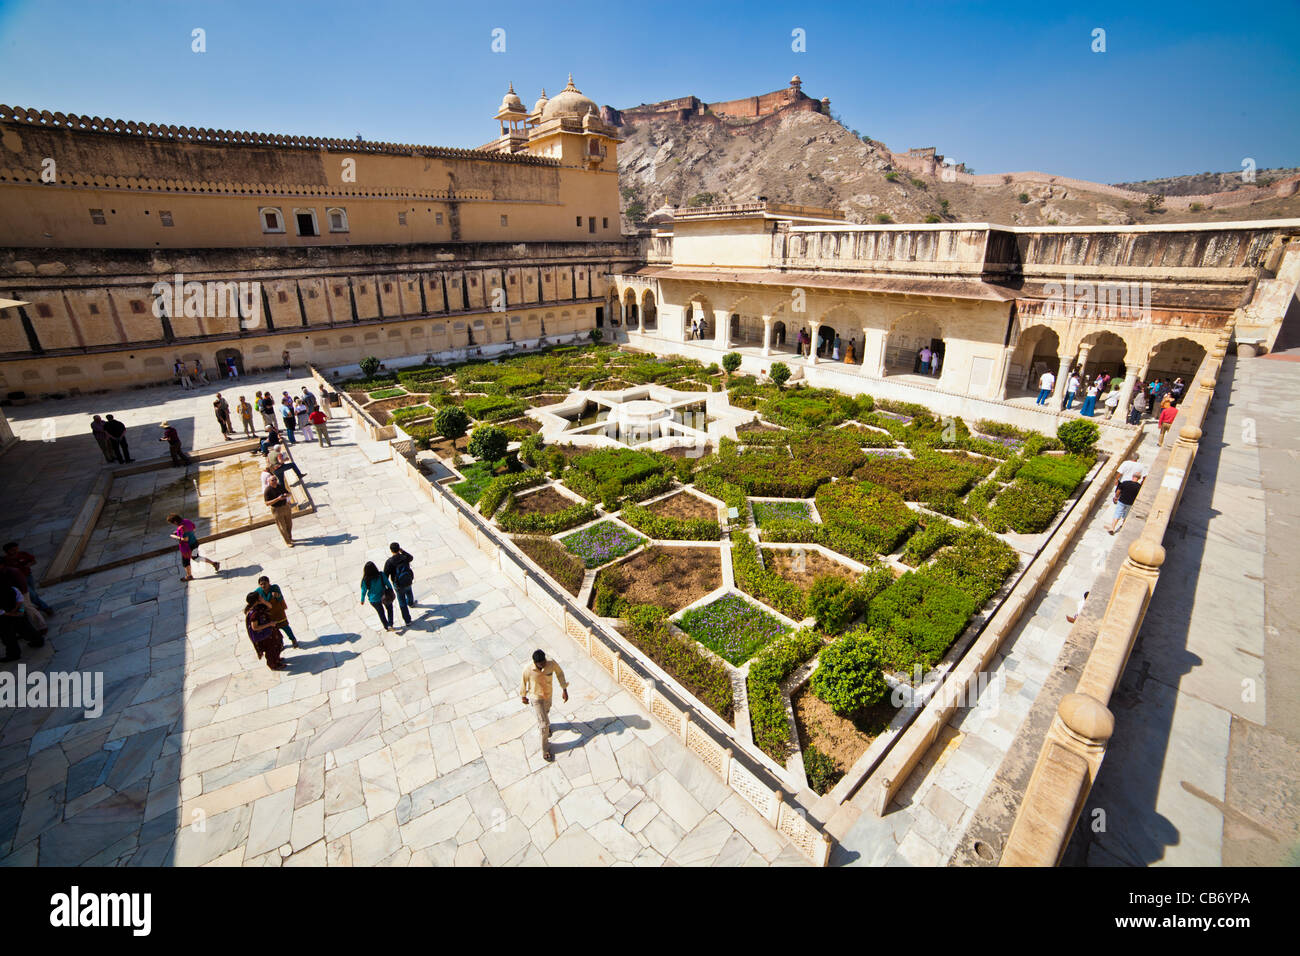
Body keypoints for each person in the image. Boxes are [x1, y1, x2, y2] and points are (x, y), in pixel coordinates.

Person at [520, 649, 568, 762]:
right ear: (535, 663)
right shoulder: (528, 669)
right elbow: (523, 681)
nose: (543, 664)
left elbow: (560, 673)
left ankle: (545, 726)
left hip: (548, 695)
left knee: (546, 712)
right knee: (544, 724)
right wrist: (523, 696)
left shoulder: (551, 663)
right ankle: (545, 749)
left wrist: (564, 689)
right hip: (536, 697)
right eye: (541, 663)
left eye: (544, 661)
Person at [2, 542, 53, 619]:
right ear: (8, 551)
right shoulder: (5, 560)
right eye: (13, 550)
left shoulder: (22, 554)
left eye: (16, 549)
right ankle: (45, 608)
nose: (15, 551)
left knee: (33, 593)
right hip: (19, 580)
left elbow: (34, 561)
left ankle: (38, 606)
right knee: (32, 595)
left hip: (28, 576)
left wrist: (28, 565)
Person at [166, 513, 220, 581]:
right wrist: (180, 533)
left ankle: (189, 576)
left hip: (187, 547)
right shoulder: (187, 521)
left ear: (175, 522)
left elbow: (185, 539)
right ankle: (214, 563)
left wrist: (175, 536)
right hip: (194, 543)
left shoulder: (180, 528)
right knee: (196, 558)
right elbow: (193, 529)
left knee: (185, 562)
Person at [1, 584, 44, 663]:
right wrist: (18, 611)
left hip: (5, 617)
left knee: (8, 636)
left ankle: (13, 654)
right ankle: (38, 641)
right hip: (16, 612)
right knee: (25, 627)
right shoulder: (11, 588)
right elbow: (20, 598)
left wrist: (11, 613)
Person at [244, 591, 286, 670]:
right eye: (260, 597)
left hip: (270, 630)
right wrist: (269, 624)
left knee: (278, 642)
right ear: (256, 600)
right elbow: (254, 627)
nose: (261, 597)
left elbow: (270, 606)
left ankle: (276, 659)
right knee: (271, 649)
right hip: (265, 635)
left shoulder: (259, 606)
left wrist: (263, 601)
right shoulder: (254, 613)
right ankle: (274, 665)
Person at [256, 576, 300, 648]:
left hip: (278, 612)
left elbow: (280, 598)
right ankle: (280, 643)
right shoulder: (258, 591)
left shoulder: (275, 587)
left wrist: (277, 595)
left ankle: (293, 639)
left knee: (285, 627)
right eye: (261, 584)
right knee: (275, 631)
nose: (263, 586)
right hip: (269, 614)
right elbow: (254, 597)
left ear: (269, 583)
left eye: (265, 583)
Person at [383, 542, 416, 627]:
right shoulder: (404, 557)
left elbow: (385, 575)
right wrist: (402, 551)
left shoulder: (389, 562)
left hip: (398, 584)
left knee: (402, 601)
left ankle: (407, 620)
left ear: (391, 550)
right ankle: (411, 603)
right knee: (409, 591)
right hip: (408, 580)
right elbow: (411, 557)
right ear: (399, 549)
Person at [1107, 469, 1145, 534]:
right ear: (1139, 479)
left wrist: (1116, 497)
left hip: (1122, 501)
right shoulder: (1139, 487)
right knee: (1126, 515)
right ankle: (1123, 526)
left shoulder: (1125, 483)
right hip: (1130, 503)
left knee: (1117, 513)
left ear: (1132, 476)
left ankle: (1112, 528)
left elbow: (1118, 491)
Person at [360, 561, 394, 631]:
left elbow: (363, 591)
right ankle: (390, 623)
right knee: (389, 608)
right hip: (385, 596)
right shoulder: (381, 575)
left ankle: (386, 626)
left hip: (374, 599)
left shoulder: (365, 580)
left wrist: (362, 600)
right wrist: (391, 591)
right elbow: (388, 584)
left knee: (381, 613)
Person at [264, 473, 295, 546]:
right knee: (282, 526)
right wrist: (278, 499)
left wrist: (286, 495)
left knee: (289, 524)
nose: (274, 481)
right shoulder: (267, 490)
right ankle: (288, 542)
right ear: (269, 481)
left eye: (275, 479)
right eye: (272, 480)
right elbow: (267, 503)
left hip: (285, 506)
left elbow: (289, 493)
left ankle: (290, 537)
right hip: (277, 509)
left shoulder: (279, 486)